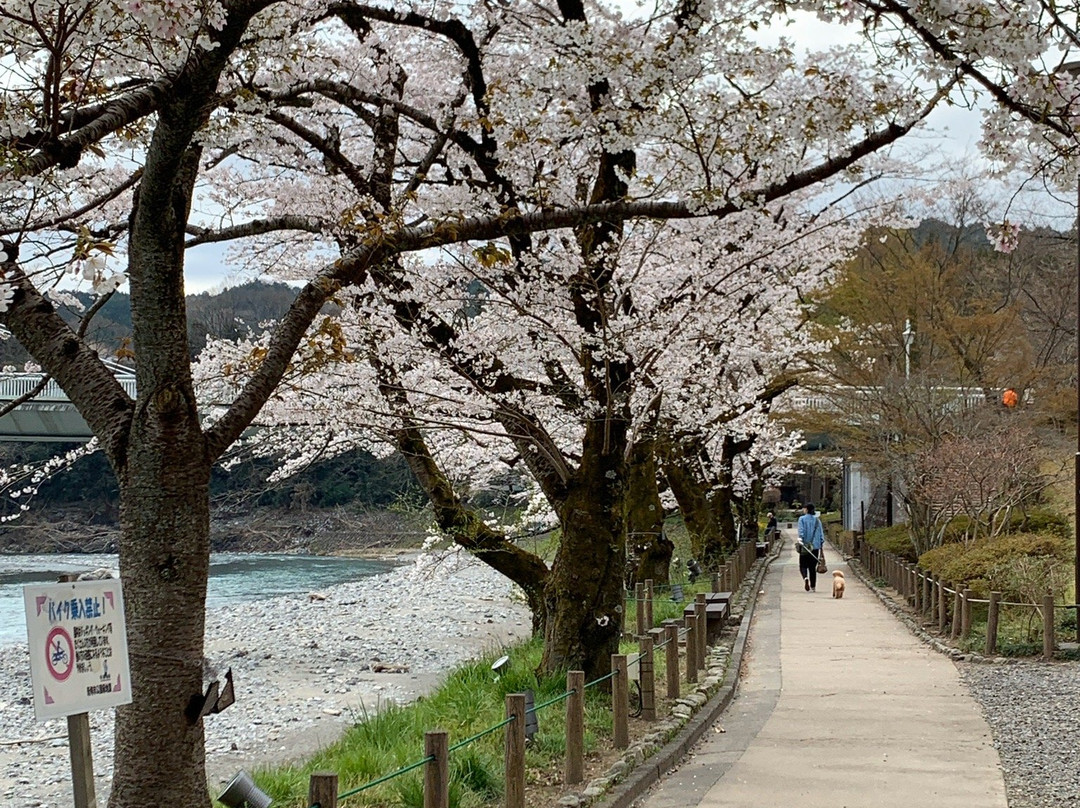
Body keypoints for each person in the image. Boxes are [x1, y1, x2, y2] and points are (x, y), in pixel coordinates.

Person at [796, 503, 825, 592]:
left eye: (804, 508)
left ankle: (805, 578)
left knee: (803, 565)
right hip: (815, 547)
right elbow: (821, 535)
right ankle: (813, 586)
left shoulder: (802, 519)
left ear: (807, 509)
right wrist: (820, 545)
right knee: (812, 567)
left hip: (805, 546)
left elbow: (801, 532)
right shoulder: (817, 521)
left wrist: (800, 540)